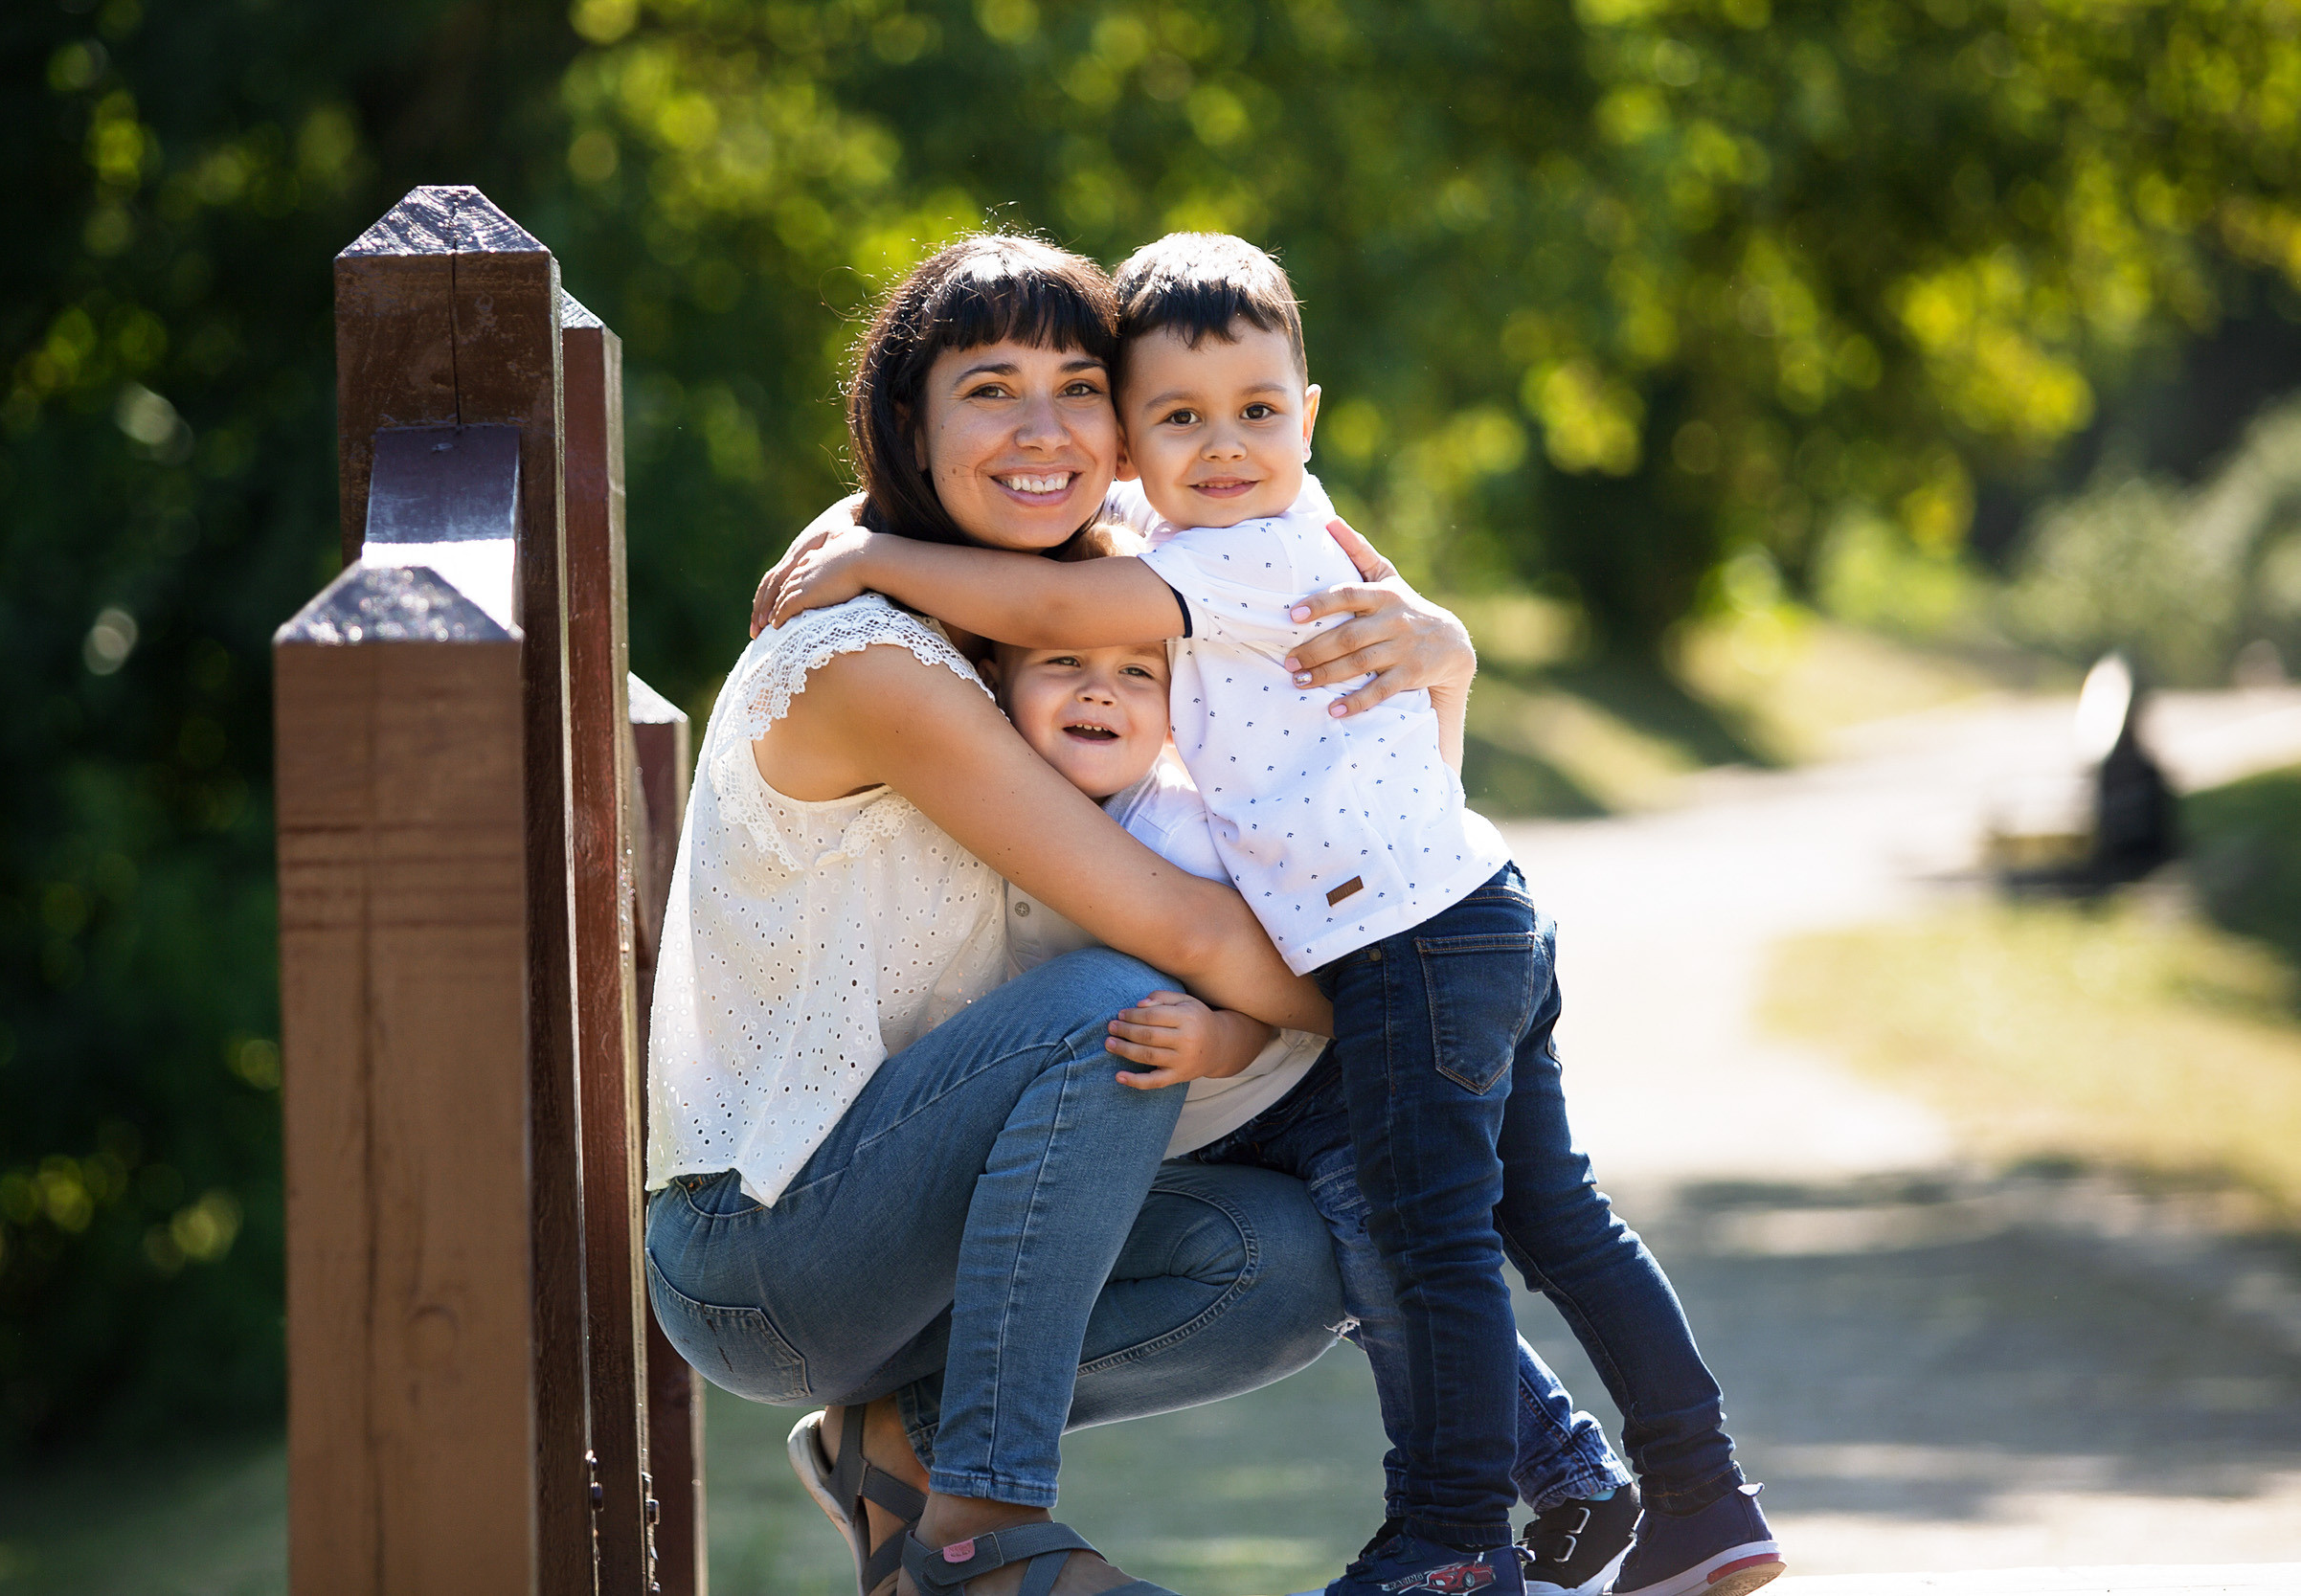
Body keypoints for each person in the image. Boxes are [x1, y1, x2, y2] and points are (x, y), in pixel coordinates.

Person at [766, 232, 1782, 1596]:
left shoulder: (1234, 556)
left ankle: (1454, 1534)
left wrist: (876, 557)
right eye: (1179, 417)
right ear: (1131, 443)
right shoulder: (1233, 543)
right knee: (1556, 1220)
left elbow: (1056, 594)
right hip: (1469, 911)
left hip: (1413, 945)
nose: (1226, 442)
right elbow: (1080, 581)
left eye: (1257, 412)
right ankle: (1698, 1492)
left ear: (1307, 417)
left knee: (1436, 1241)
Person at [644, 233, 1485, 1596]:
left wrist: (1447, 655)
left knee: (1295, 1257)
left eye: (1078, 385)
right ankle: (982, 1537)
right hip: (766, 1248)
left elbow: (1328, 670)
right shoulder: (873, 658)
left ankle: (895, 1448)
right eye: (989, 389)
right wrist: (1431, 1013)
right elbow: (1199, 933)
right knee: (1118, 1002)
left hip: (917, 1228)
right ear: (906, 427)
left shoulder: (1085, 593)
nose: (1043, 429)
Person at [981, 521, 1641, 1596]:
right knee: (1367, 1278)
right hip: (1218, 1128)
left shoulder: (1185, 826)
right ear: (1000, 677)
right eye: (1063, 662)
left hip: (1305, 1091)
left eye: (1135, 673)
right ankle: (1568, 1480)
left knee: (1392, 1280)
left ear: (1179, 701)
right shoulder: (998, 812)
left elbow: (1313, 972)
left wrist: (1219, 1037)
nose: (1099, 691)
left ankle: (1553, 1484)